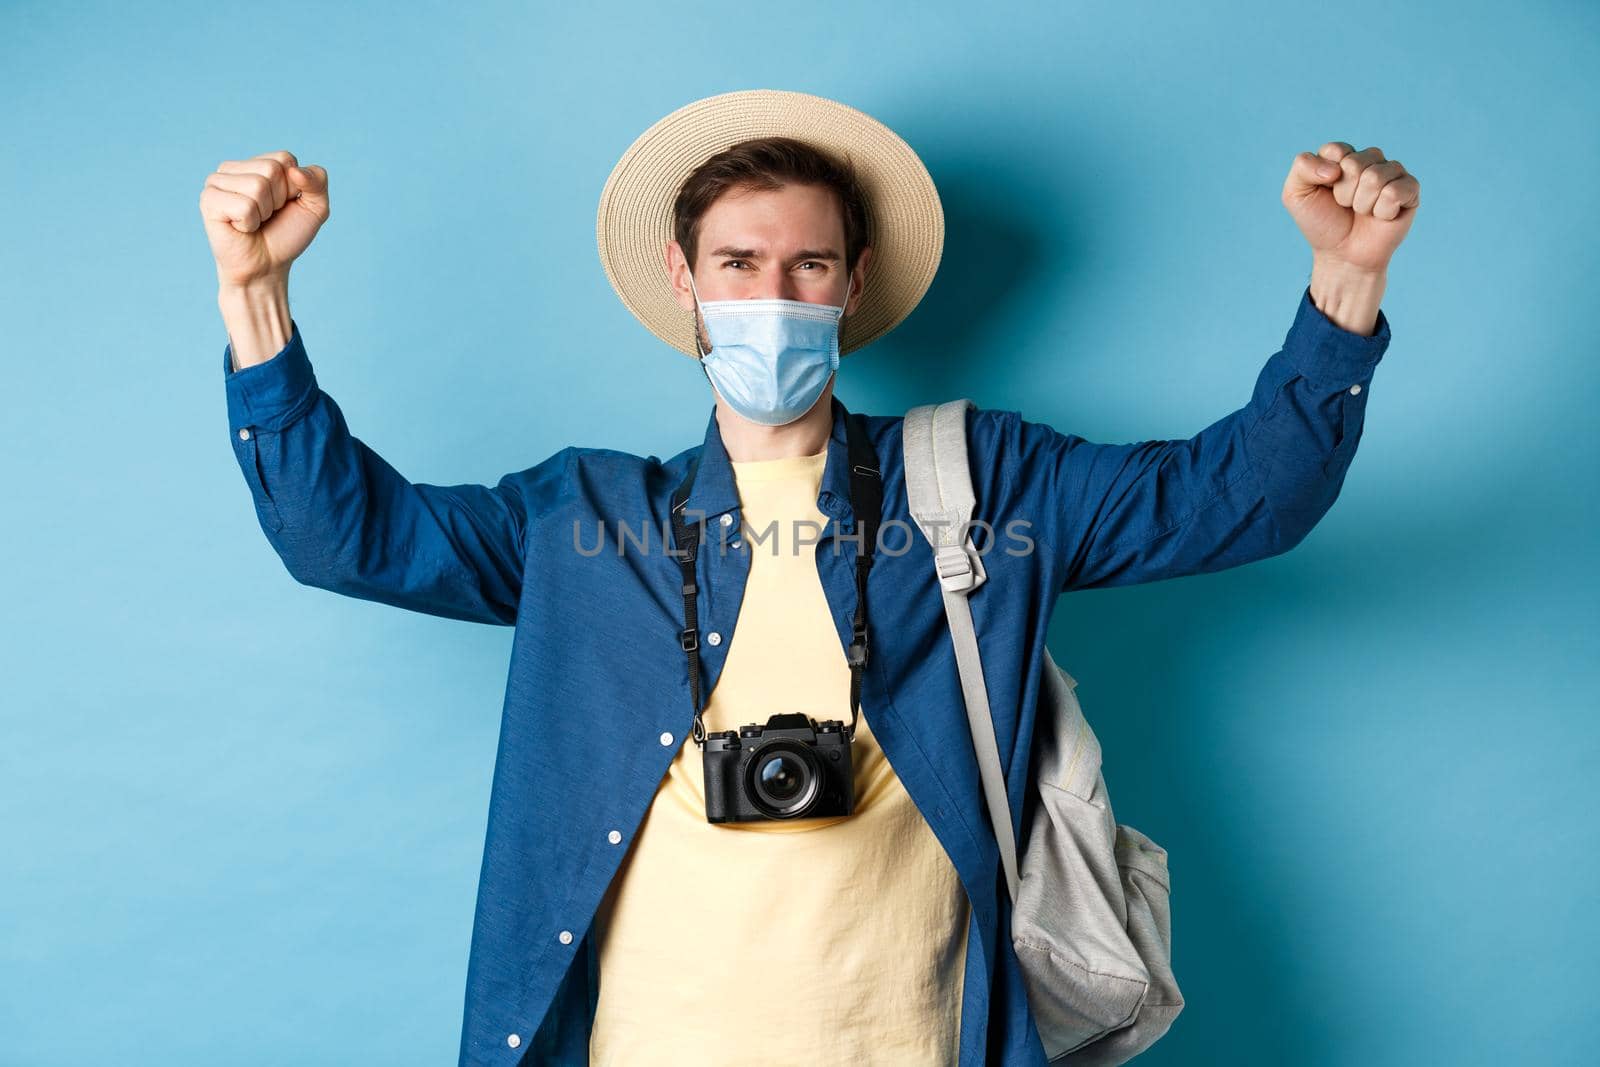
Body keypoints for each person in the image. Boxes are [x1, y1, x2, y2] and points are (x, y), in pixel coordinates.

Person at [199, 89, 1419, 1067]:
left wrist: (1346, 279)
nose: (771, 299)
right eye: (737, 264)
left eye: (806, 267)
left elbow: (1240, 497)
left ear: (852, 281)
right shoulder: (586, 518)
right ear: (683, 280)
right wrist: (254, 293)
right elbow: (343, 535)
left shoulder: (978, 485)